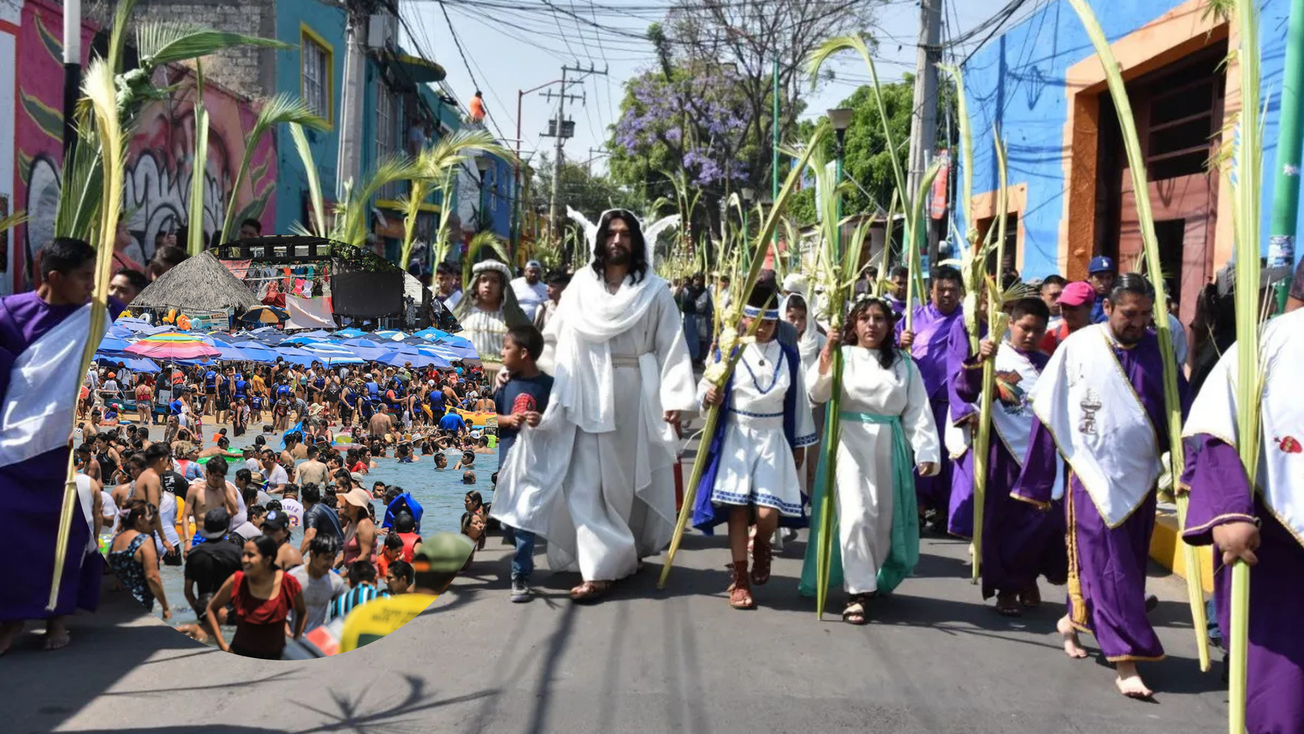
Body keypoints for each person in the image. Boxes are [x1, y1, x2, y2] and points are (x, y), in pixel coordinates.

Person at [492, 209, 697, 603]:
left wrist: (675, 399)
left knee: (624, 489)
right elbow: (553, 340)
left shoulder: (655, 291)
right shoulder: (581, 288)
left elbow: (671, 345)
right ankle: (600, 569)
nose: (617, 240)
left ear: (635, 242)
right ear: (600, 241)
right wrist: (520, 374)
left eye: (625, 234)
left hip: (634, 393)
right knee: (582, 483)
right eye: (611, 234)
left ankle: (625, 552)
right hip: (582, 393)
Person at [1013, 273, 1187, 699]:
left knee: (1124, 568)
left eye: (1147, 314)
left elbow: (1181, 412)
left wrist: (1187, 468)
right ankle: (1126, 659)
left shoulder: (1158, 349)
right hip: (1090, 474)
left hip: (1142, 477)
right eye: (1130, 313)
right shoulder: (1079, 346)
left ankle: (1072, 619)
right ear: (1107, 308)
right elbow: (1047, 410)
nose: (1139, 322)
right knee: (1109, 568)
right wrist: (1038, 478)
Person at [1180, 308, 1304, 734]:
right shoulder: (1269, 344)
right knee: (1284, 682)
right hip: (1279, 538)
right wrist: (1231, 511)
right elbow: (1219, 431)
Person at [0, 238, 127, 653]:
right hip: (15, 442)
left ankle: (58, 618)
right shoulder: (8, 313)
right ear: (54, 277)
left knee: (67, 532)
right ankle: (12, 618)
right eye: (85, 277)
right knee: (11, 531)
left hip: (67, 443)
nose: (94, 285)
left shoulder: (97, 317)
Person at [798, 297, 939, 625]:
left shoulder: (903, 363)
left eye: (879, 318)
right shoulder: (842, 356)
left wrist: (927, 451)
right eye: (864, 318)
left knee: (881, 519)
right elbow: (817, 394)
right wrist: (826, 356)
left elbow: (917, 410)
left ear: (890, 325)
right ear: (853, 324)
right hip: (848, 444)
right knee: (856, 515)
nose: (871, 324)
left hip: (890, 447)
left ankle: (870, 577)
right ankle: (856, 592)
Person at [692, 281, 817, 609]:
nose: (763, 328)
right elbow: (707, 383)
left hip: (773, 439)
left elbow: (799, 403)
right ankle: (740, 578)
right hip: (737, 435)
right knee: (738, 510)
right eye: (757, 321)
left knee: (766, 512)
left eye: (770, 322)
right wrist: (708, 395)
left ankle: (761, 543)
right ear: (744, 319)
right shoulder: (729, 349)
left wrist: (800, 444)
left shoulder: (788, 356)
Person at [953, 298, 1067, 616]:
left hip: (1040, 456)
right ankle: (1006, 588)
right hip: (1001, 453)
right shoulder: (994, 357)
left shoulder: (1049, 364)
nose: (1030, 335)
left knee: (1040, 522)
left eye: (1038, 330)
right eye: (1024, 328)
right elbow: (964, 390)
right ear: (1011, 325)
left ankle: (1027, 577)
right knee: (1002, 524)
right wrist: (978, 361)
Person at [897, 265, 966, 534]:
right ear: (930, 291)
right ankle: (916, 510)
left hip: (953, 403)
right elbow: (891, 348)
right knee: (918, 455)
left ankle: (947, 512)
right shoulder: (914, 317)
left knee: (951, 458)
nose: (947, 294)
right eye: (941, 290)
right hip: (919, 400)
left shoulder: (969, 321)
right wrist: (900, 340)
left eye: (952, 290)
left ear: (961, 292)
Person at [493, 324, 554, 602]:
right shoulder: (505, 384)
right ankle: (513, 534)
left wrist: (541, 421)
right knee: (509, 521)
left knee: (525, 516)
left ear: (524, 353)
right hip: (506, 463)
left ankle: (521, 574)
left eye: (507, 347)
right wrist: (508, 420)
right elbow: (489, 418)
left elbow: (559, 421)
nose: (502, 353)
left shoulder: (549, 386)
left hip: (534, 464)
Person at [206, 535, 306, 659]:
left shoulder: (288, 583)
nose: (244, 560)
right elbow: (211, 609)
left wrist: (296, 642)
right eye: (244, 554)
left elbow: (302, 612)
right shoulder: (237, 581)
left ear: (267, 560)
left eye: (251, 555)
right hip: (239, 656)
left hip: (276, 659)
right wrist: (222, 645)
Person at [106, 500, 172, 619]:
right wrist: (165, 607)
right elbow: (152, 577)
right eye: (148, 516)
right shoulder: (143, 540)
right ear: (140, 518)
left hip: (117, 605)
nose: (149, 519)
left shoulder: (115, 540)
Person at [287, 535, 344, 633]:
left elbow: (339, 618)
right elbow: (281, 616)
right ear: (312, 555)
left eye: (333, 558)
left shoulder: (336, 583)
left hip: (317, 639)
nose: (330, 563)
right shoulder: (294, 578)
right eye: (326, 558)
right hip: (292, 637)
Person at [1040, 281, 1095, 354]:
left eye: (1073, 308)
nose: (1067, 313)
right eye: (1064, 307)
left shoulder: (1101, 337)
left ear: (1090, 306)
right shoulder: (1051, 338)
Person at [300, 483, 344, 553]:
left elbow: (309, 538)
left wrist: (297, 558)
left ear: (302, 498)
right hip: (343, 551)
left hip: (333, 553)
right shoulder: (328, 508)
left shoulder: (311, 513)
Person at [1087, 256, 1117, 324]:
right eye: (1100, 277)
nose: (1105, 282)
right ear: (1089, 278)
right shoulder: (1083, 300)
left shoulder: (1117, 300)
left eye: (1108, 278)